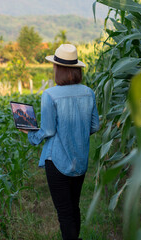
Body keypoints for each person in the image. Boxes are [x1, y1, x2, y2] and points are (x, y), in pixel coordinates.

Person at [19, 44, 99, 240]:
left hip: (57, 161)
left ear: (59, 69)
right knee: (74, 207)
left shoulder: (50, 95)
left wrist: (30, 133)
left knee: (64, 212)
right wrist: (77, 134)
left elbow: (48, 130)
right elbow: (95, 126)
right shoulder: (88, 92)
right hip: (80, 160)